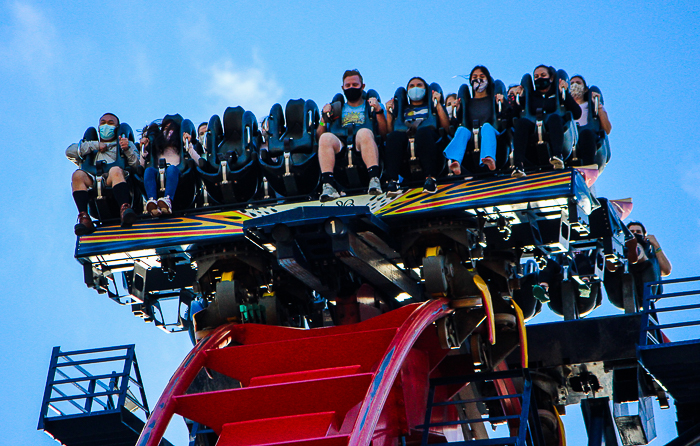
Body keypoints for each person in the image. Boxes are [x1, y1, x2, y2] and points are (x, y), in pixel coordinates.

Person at [316, 69, 386, 201]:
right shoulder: (337, 107)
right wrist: (323, 118)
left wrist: (379, 111)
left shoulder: (371, 105)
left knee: (363, 132)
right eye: (348, 86)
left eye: (355, 85)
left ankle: (374, 179)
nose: (351, 88)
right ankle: (328, 185)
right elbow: (319, 136)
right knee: (326, 138)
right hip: (341, 143)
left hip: (363, 141)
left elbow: (384, 133)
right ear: (343, 88)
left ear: (362, 86)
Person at [67, 112, 140, 235]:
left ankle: (125, 208)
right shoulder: (90, 146)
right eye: (103, 123)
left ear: (116, 128)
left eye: (111, 123)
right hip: (94, 181)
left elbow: (138, 165)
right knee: (77, 175)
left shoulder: (124, 144)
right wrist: (95, 145)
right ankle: (84, 217)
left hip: (116, 179)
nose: (106, 126)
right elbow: (69, 152)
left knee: (115, 170)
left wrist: (127, 149)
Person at [510, 65, 582, 178]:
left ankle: (558, 156)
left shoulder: (558, 94)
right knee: (522, 123)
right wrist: (519, 98)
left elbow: (577, 113)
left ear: (551, 78)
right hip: (534, 129)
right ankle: (518, 165)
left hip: (555, 127)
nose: (540, 78)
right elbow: (512, 117)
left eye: (543, 75)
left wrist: (565, 93)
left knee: (554, 118)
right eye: (536, 77)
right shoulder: (531, 96)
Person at [384, 77, 450, 194]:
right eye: (412, 86)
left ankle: (430, 179)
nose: (415, 88)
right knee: (394, 136)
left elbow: (446, 127)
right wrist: (389, 113)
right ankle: (392, 181)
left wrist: (438, 104)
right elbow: (389, 133)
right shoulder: (402, 110)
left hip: (430, 146)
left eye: (419, 85)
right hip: (406, 154)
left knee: (423, 132)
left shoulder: (431, 108)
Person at [443, 66, 505, 175]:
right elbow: (454, 124)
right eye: (474, 77)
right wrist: (457, 110)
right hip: (472, 137)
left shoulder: (493, 100)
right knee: (462, 130)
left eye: (482, 76)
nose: (478, 79)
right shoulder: (467, 103)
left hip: (492, 133)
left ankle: (489, 158)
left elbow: (507, 116)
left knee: (486, 127)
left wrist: (503, 102)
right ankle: (456, 161)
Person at [140, 116, 202, 216]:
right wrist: (144, 150)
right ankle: (152, 202)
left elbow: (199, 162)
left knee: (171, 169)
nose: (168, 132)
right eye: (165, 129)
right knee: (149, 171)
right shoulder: (156, 148)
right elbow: (141, 166)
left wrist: (189, 145)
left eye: (171, 129)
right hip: (158, 175)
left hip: (179, 176)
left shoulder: (182, 147)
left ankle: (168, 200)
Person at [570, 75, 612, 166]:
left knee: (586, 133)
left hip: (587, 137)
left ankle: (588, 166)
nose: (574, 85)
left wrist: (599, 106)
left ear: (585, 89)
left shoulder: (591, 106)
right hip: (570, 139)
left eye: (578, 83)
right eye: (572, 83)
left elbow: (607, 129)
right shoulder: (565, 108)